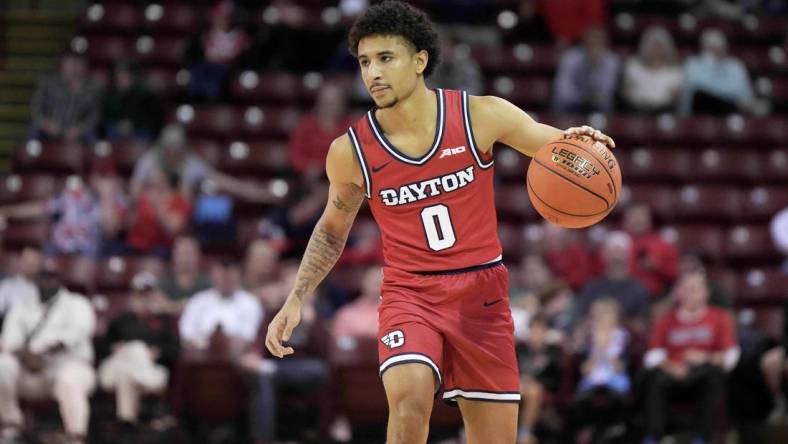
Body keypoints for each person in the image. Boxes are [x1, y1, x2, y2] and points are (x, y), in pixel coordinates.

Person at [264, 2, 616, 443]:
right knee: (409, 404)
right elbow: (332, 229)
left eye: (385, 59)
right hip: (410, 293)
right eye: (365, 62)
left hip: (481, 296)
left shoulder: (479, 115)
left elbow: (553, 144)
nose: (373, 72)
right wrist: (296, 297)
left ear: (420, 60)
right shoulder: (350, 152)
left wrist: (584, 148)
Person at [642, 269, 739, 444]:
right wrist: (672, 367)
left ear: (706, 293)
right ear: (678, 292)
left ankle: (703, 437)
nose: (690, 294)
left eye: (695, 289)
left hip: (702, 374)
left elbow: (731, 357)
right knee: (652, 378)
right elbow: (652, 356)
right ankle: (654, 436)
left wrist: (706, 358)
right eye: (685, 289)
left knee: (713, 377)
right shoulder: (665, 320)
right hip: (671, 373)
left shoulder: (719, 318)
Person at [0, 268, 96, 444]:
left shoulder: (77, 303)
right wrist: (26, 356)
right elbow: (8, 342)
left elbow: (77, 334)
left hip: (68, 365)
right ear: (35, 281)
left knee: (70, 379)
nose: (47, 282)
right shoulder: (22, 307)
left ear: (60, 281)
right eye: (43, 278)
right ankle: (11, 425)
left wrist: (41, 351)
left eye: (51, 278)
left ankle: (75, 436)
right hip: (30, 370)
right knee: (3, 365)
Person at [98, 272, 177, 431]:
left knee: (130, 368)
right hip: (118, 367)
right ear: (132, 296)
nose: (143, 299)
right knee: (134, 350)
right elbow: (102, 347)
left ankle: (127, 423)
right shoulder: (121, 320)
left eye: (147, 294)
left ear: (154, 295)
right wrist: (114, 348)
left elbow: (174, 350)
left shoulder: (163, 321)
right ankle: (155, 412)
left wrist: (158, 352)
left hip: (149, 367)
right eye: (139, 294)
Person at [28, 50, 101, 147]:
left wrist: (79, 129)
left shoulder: (90, 88)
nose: (72, 68)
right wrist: (46, 123)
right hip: (51, 126)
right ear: (62, 65)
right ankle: (30, 158)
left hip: (76, 129)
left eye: (75, 64)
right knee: (34, 130)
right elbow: (36, 107)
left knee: (92, 138)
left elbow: (93, 115)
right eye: (68, 64)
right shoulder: (49, 83)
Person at [679, 28, 755, 116]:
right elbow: (693, 91)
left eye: (719, 47)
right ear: (703, 48)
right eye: (711, 47)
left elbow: (746, 99)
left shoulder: (736, 66)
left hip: (730, 112)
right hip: (699, 112)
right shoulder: (692, 64)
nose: (715, 51)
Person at [552, 26, 620, 114]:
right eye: (591, 43)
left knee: (607, 106)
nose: (594, 48)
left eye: (598, 43)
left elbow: (606, 94)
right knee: (559, 104)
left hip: (598, 107)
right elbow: (563, 92)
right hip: (571, 106)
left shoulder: (611, 62)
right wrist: (584, 97)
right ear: (584, 43)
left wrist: (595, 66)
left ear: (605, 45)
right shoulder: (569, 58)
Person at [621, 26, 684, 114]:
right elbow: (626, 93)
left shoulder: (675, 71)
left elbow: (675, 99)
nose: (656, 50)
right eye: (653, 46)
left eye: (660, 46)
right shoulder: (633, 66)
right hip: (636, 111)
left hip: (664, 112)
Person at [101, 60, 163, 142]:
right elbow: (106, 116)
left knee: (143, 136)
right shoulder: (110, 95)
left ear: (133, 77)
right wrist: (120, 125)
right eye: (119, 76)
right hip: (116, 129)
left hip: (140, 130)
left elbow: (153, 120)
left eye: (125, 76)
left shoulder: (145, 95)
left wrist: (133, 125)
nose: (122, 79)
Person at [0, 246, 42, 323]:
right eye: (28, 261)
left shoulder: (39, 288)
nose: (31, 265)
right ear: (20, 262)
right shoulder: (7, 286)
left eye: (35, 262)